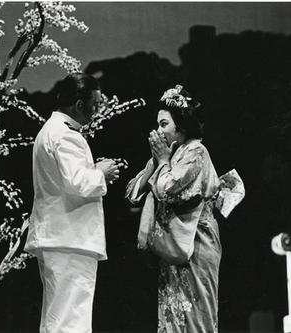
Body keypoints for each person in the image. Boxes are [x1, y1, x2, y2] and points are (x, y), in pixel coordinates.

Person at [126, 85, 229, 333]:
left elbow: (167, 189)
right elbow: (132, 193)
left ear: (181, 127)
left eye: (164, 124)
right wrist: (155, 162)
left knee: (196, 317)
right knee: (172, 318)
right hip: (173, 246)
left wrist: (162, 162)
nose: (158, 131)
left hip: (196, 243)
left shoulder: (196, 152)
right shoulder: (168, 155)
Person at [24, 73, 119, 333]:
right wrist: (102, 173)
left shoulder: (50, 131)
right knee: (71, 319)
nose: (97, 110)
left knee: (58, 318)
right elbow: (78, 183)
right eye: (95, 103)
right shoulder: (66, 136)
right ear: (78, 105)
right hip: (70, 237)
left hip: (58, 237)